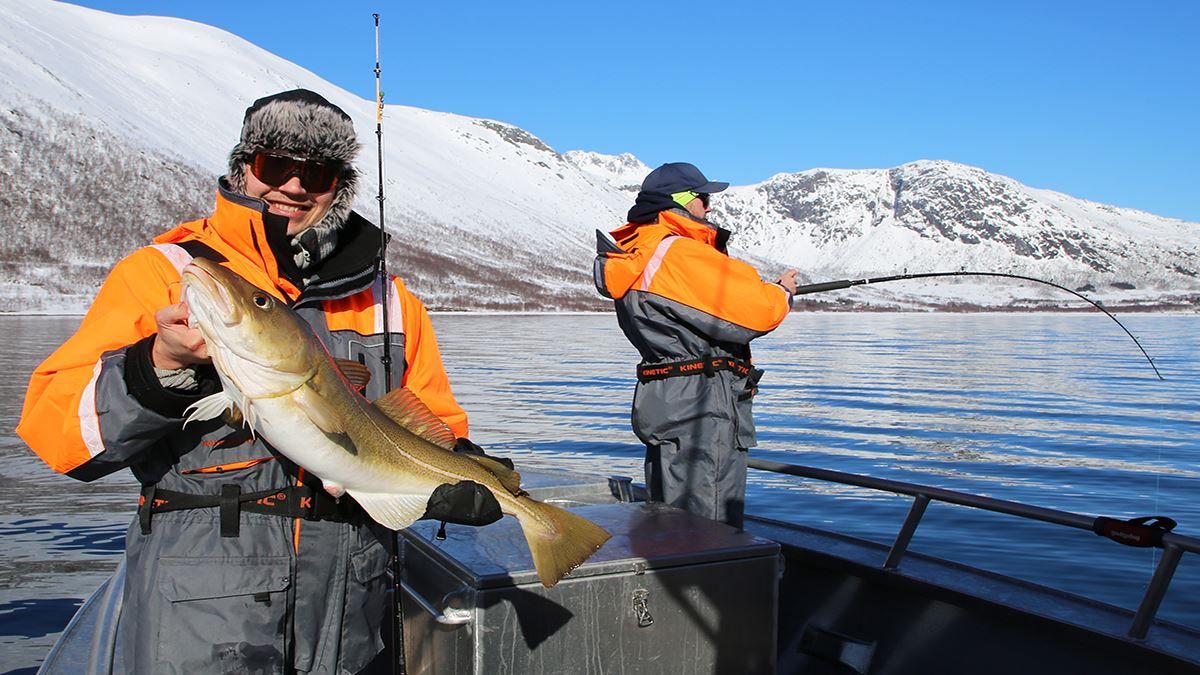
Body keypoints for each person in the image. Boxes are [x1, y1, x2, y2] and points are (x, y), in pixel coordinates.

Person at [18, 89, 500, 674]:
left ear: (339, 187)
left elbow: (434, 422)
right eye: (275, 165)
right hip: (201, 623)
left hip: (354, 616)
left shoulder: (391, 300)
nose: (294, 186)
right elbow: (61, 437)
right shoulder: (166, 272)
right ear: (243, 168)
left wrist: (465, 471)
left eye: (317, 174)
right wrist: (158, 366)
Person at [593, 162, 798, 530]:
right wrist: (781, 292)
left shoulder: (640, 251)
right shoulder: (680, 253)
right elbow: (756, 314)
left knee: (671, 515)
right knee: (710, 522)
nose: (709, 206)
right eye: (703, 198)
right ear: (682, 201)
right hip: (703, 401)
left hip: (664, 397)